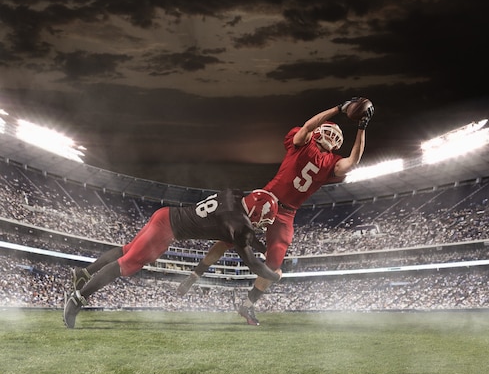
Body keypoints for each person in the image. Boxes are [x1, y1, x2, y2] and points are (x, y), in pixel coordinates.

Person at [177, 97, 374, 325]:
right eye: (329, 130)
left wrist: (362, 128)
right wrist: (338, 109)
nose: (332, 136)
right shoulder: (303, 141)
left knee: (274, 265)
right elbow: (308, 126)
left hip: (287, 213)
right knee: (228, 237)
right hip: (266, 198)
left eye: (337, 135)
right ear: (320, 130)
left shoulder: (333, 163)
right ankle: (195, 275)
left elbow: (353, 162)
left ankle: (247, 305)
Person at [63, 188, 279, 328]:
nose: (262, 226)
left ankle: (84, 273)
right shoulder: (239, 226)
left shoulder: (235, 196)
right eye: (264, 220)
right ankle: (77, 299)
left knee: (127, 250)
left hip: (166, 216)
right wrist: (275, 276)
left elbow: (242, 234)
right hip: (166, 230)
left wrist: (261, 245)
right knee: (127, 264)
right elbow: (253, 264)